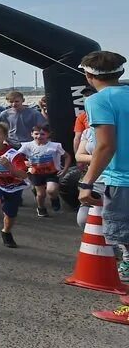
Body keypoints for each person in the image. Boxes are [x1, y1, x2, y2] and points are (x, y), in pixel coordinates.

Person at [78, 51, 129, 259]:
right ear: (122, 72)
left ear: (89, 76)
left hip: (120, 180)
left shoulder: (97, 101)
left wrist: (86, 183)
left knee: (121, 233)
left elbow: (106, 145)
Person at [21, 125, 70, 217]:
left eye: (42, 134)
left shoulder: (55, 146)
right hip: (36, 173)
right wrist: (25, 162)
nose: (39, 136)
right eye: (36, 134)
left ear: (48, 135)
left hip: (52, 172)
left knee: (51, 190)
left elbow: (67, 156)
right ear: (31, 134)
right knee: (41, 195)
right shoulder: (27, 146)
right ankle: (41, 207)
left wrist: (65, 169)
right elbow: (17, 156)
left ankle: (54, 198)